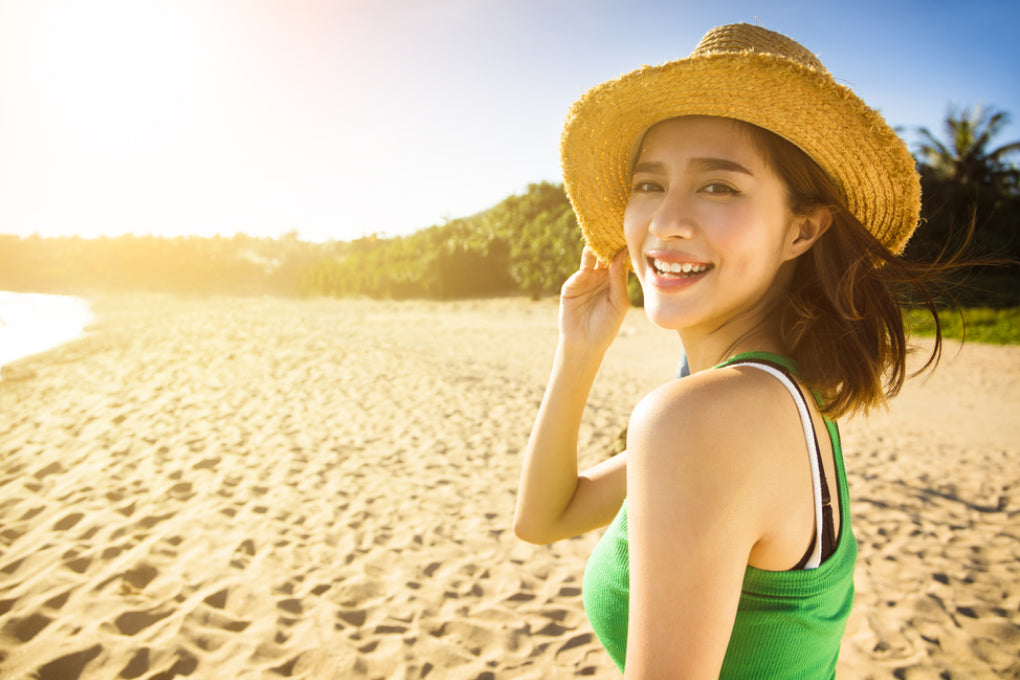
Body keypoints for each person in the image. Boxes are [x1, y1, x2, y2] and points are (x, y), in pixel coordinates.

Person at [513, 23, 947, 678]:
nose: (665, 222)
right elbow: (546, 518)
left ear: (802, 230)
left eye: (719, 187)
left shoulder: (707, 419)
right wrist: (579, 351)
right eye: (649, 184)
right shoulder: (786, 394)